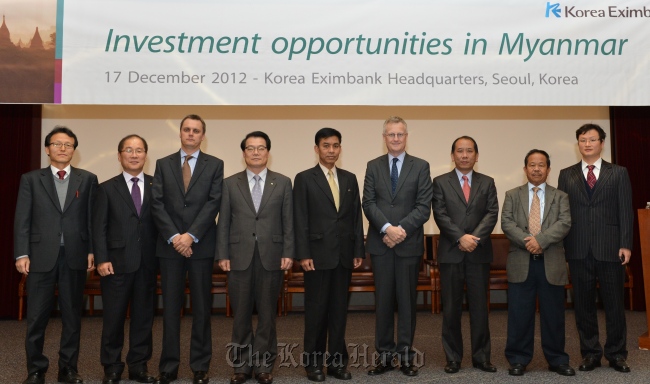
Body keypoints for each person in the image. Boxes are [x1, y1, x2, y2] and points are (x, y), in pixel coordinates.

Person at [14, 126, 98, 384]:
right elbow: (22, 220)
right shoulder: (30, 179)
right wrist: (21, 253)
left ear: (74, 149)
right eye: (57, 144)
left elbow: (92, 219)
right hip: (40, 256)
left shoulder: (88, 179)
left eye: (68, 144)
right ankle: (36, 370)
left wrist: (92, 250)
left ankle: (68, 369)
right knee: (37, 317)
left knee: (72, 316)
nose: (63, 148)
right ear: (47, 148)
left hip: (75, 255)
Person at [216, 131, 294, 384]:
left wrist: (288, 252)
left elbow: (288, 222)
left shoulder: (283, 182)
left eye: (261, 148)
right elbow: (223, 222)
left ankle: (263, 366)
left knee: (267, 314)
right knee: (240, 315)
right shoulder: (229, 183)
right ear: (244, 153)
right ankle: (241, 365)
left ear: (268, 152)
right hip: (238, 257)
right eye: (251, 148)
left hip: (272, 256)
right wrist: (222, 254)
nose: (256, 152)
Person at [151, 115, 224, 384]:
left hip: (200, 246)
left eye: (196, 131)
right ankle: (168, 366)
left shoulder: (215, 165)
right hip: (169, 247)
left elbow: (213, 202)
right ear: (180, 133)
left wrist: (190, 236)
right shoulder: (163, 164)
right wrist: (174, 237)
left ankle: (200, 366)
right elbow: (156, 203)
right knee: (170, 309)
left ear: (203, 135)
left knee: (202, 308)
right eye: (187, 130)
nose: (191, 134)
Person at [558, 123, 633, 373]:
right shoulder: (565, 174)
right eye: (582, 140)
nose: (587, 144)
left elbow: (625, 210)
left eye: (592, 139)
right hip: (577, 249)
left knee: (614, 305)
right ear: (577, 144)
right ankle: (590, 353)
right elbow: (562, 214)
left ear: (602, 143)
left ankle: (616, 353)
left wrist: (626, 244)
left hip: (611, 248)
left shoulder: (619, 172)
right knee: (583, 306)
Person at [362, 116, 432, 377]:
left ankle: (405, 356)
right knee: (382, 303)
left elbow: (424, 206)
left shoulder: (421, 166)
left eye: (399, 134)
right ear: (384, 138)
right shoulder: (373, 166)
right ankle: (384, 356)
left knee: (406, 303)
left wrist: (400, 230)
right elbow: (368, 203)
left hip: (408, 244)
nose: (395, 138)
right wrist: (386, 229)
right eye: (390, 134)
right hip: (381, 245)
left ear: (406, 136)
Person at [293, 128, 365, 382]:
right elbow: (299, 218)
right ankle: (312, 364)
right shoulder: (304, 178)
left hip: (344, 255)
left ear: (340, 148)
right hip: (316, 256)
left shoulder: (349, 178)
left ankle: (336, 363)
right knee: (316, 311)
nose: (331, 150)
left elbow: (356, 217)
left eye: (335, 145)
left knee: (338, 312)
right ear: (316, 149)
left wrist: (358, 250)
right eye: (326, 146)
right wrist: (302, 253)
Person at [501, 149, 575, 376]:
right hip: (521, 262)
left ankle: (557, 359)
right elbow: (507, 222)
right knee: (519, 314)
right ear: (525, 169)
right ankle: (518, 358)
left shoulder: (560, 196)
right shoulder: (512, 194)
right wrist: (529, 243)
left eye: (541, 165)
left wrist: (540, 241)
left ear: (548, 169)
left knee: (554, 314)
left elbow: (564, 223)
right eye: (532, 165)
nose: (536, 169)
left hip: (551, 261)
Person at [92, 135, 158, 384]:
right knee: (113, 317)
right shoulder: (106, 188)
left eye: (139, 150)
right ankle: (111, 366)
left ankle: (139, 366)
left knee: (144, 318)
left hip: (148, 263)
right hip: (115, 264)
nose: (134, 154)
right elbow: (99, 227)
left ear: (145, 155)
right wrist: (101, 258)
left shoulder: (156, 185)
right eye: (128, 150)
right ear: (119, 156)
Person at [431, 136, 498, 374]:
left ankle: (482, 357)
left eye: (469, 151)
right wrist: (461, 237)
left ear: (476, 156)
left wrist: (473, 239)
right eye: (460, 151)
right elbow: (440, 214)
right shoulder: (440, 182)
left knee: (480, 308)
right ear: (452, 155)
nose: (465, 155)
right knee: (451, 309)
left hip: (478, 254)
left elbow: (491, 213)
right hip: (451, 253)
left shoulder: (487, 182)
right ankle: (453, 358)